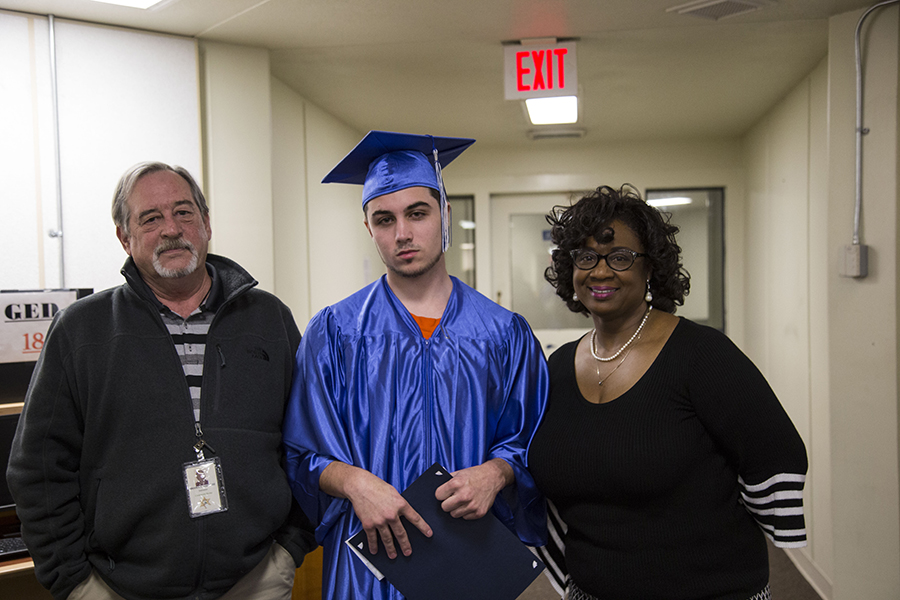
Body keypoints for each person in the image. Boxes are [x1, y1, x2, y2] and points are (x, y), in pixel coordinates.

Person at [7, 162, 316, 600]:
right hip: (118, 588)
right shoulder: (82, 332)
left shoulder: (269, 319)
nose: (171, 229)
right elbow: (37, 468)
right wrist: (73, 582)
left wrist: (288, 550)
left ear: (206, 224)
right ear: (124, 237)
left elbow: (308, 440)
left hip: (255, 580)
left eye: (184, 212)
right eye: (150, 218)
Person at [282, 131, 549, 599]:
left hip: (470, 558)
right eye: (384, 219)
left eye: (417, 213)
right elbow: (301, 455)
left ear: (445, 215)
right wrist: (355, 482)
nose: (402, 233)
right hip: (368, 569)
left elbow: (534, 442)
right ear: (368, 227)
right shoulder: (335, 334)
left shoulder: (503, 334)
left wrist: (497, 473)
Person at [528, 185, 808, 600]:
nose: (600, 271)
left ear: (651, 268)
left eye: (620, 257)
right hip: (591, 589)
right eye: (585, 257)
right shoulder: (558, 367)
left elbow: (774, 452)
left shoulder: (702, 354)